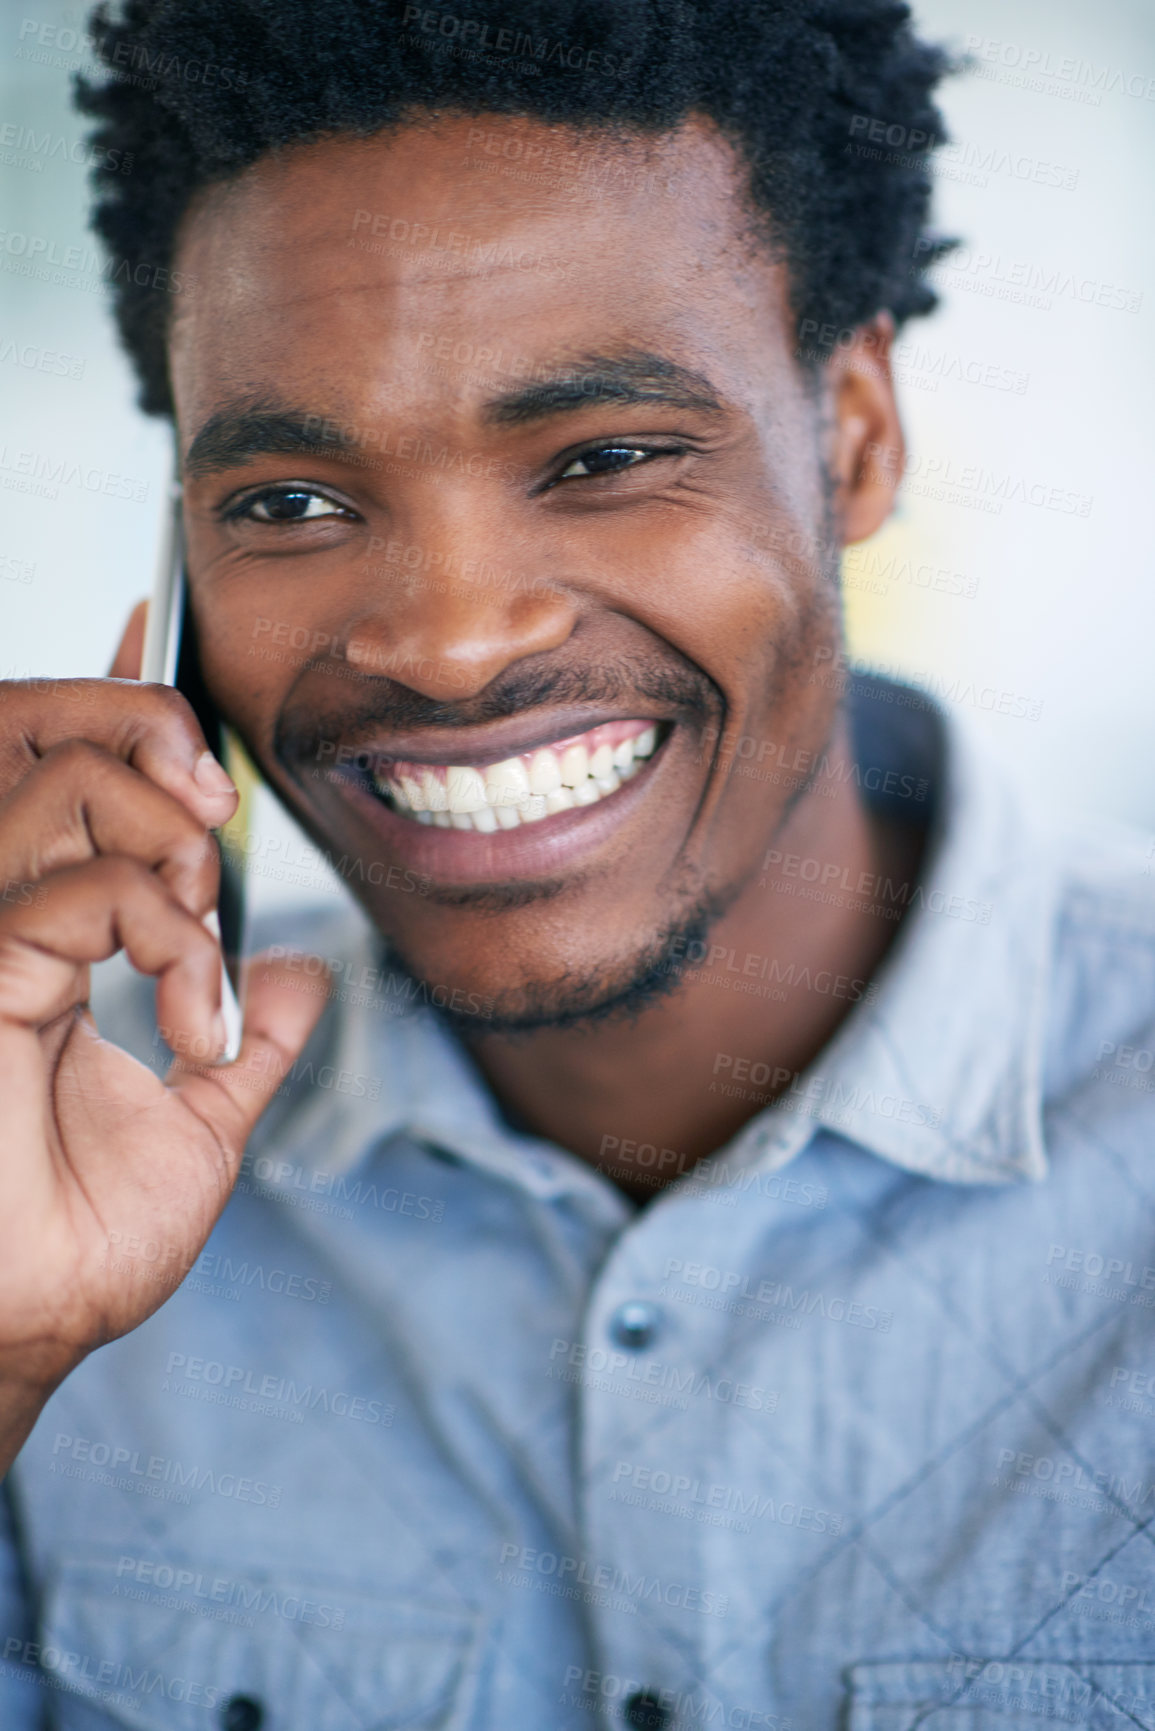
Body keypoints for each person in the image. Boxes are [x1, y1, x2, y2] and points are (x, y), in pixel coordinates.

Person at [1, 2, 1152, 1726]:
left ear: (853, 437)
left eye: (606, 459)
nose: (454, 646)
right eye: (292, 503)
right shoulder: (56, 1153)